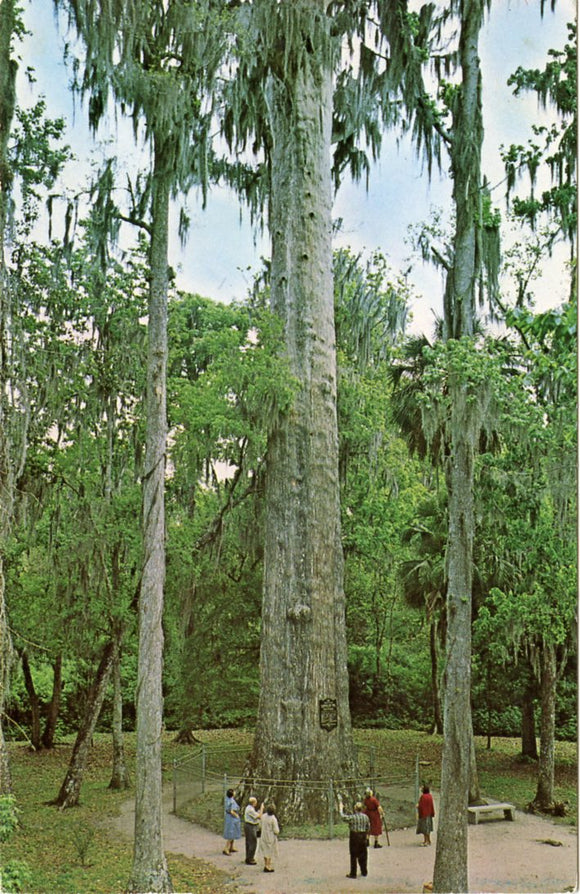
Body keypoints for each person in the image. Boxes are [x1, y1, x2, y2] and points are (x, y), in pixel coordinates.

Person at [338, 796, 371, 879]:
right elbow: (368, 828)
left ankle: (353, 873)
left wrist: (341, 808)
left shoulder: (353, 817)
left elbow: (343, 817)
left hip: (354, 836)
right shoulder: (366, 817)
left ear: (355, 809)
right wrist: (367, 837)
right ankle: (364, 871)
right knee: (363, 855)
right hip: (363, 836)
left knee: (353, 855)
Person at [258, 803, 279, 873]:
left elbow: (260, 825)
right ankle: (268, 865)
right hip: (270, 836)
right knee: (269, 851)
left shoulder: (263, 816)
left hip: (263, 835)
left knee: (265, 850)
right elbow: (276, 830)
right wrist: (276, 833)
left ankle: (266, 864)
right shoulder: (273, 819)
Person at [243, 796, 264, 865]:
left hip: (250, 825)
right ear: (253, 803)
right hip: (250, 826)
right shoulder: (250, 810)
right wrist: (261, 809)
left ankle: (248, 857)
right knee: (252, 842)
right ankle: (250, 858)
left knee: (249, 842)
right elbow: (259, 816)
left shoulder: (250, 808)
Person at [223, 788, 242, 855]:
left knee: (233, 832)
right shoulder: (232, 801)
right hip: (232, 818)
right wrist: (236, 815)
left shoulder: (227, 799)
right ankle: (226, 848)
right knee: (231, 833)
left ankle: (231, 847)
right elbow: (232, 811)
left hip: (228, 817)